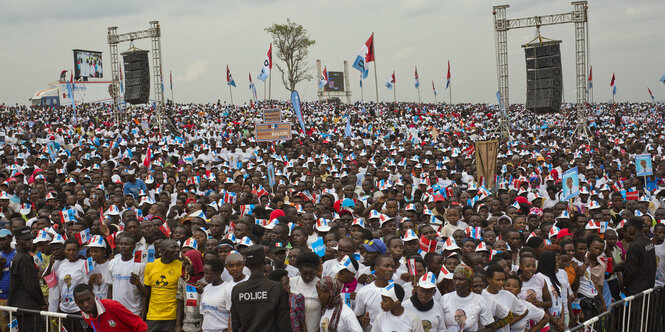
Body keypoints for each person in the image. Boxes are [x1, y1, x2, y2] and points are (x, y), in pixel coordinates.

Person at [231, 245, 292, 331]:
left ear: (246, 264)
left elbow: (235, 324)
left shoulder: (237, 290)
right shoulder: (276, 288)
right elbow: (284, 324)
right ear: (264, 261)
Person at [8, 226, 46, 331]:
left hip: (23, 307)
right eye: (26, 240)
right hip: (29, 307)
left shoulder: (19, 256)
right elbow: (31, 285)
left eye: (31, 239)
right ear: (18, 242)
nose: (30, 242)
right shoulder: (24, 258)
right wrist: (42, 303)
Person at [141, 239, 182, 332]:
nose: (178, 250)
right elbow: (146, 293)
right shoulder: (150, 265)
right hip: (153, 316)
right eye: (173, 247)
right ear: (163, 251)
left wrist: (178, 324)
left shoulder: (181, 266)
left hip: (172, 317)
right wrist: (143, 316)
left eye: (178, 247)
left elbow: (181, 297)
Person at [439, 265, 494, 332]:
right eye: (455, 279)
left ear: (470, 282)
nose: (457, 283)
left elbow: (491, 328)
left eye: (461, 279)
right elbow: (438, 325)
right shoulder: (445, 299)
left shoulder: (479, 300)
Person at [73, 283, 147, 332]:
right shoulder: (85, 314)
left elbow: (140, 325)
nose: (85, 304)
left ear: (93, 295)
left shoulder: (112, 306)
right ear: (76, 303)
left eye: (88, 299)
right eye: (81, 302)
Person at [107, 233, 146, 316]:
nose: (123, 246)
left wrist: (143, 315)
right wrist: (109, 308)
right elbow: (110, 287)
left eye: (127, 244)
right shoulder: (112, 263)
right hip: (116, 311)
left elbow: (144, 293)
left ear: (134, 246)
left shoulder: (140, 265)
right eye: (121, 244)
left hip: (134, 311)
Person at [55, 239, 89, 332]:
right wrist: (59, 306)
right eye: (68, 250)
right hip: (64, 308)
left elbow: (87, 286)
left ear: (78, 250)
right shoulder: (62, 265)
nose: (71, 252)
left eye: (74, 250)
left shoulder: (83, 264)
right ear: (64, 250)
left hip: (79, 309)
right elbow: (61, 287)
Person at [621, 217, 657, 295]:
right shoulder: (647, 241)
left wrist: (624, 284)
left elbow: (631, 269)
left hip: (637, 290)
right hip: (648, 286)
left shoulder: (635, 245)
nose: (627, 229)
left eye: (628, 227)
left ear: (633, 228)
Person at [290, 251, 322, 332]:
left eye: (311, 274)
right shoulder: (291, 283)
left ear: (315, 270)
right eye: (304, 274)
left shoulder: (321, 286)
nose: (308, 277)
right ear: (300, 270)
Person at [199, 257, 226, 332]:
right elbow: (204, 314)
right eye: (204, 273)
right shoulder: (206, 289)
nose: (205, 276)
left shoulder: (227, 289)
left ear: (218, 272)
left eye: (208, 273)